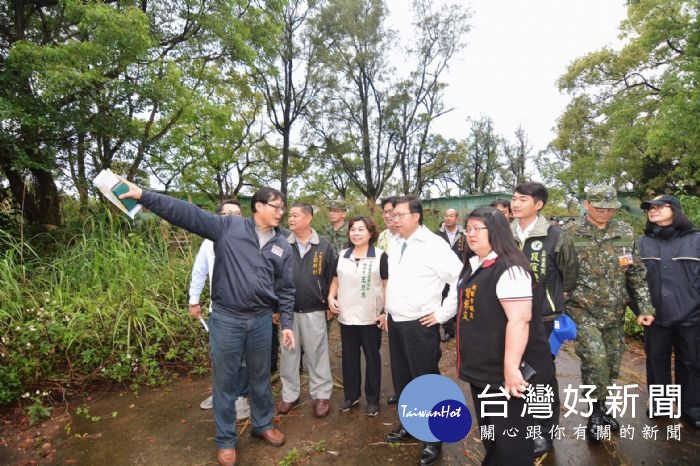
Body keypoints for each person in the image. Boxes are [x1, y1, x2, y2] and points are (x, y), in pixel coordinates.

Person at [118, 182, 296, 466]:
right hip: (228, 319)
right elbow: (186, 213)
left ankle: (263, 424)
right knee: (225, 382)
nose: (281, 212)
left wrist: (286, 322)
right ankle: (226, 440)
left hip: (262, 320)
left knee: (261, 377)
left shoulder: (282, 244)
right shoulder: (229, 228)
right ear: (258, 206)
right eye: (276, 206)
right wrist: (143, 195)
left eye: (283, 208)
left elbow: (286, 289)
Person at [423, 206, 556, 466]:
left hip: (504, 374)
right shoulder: (474, 264)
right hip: (482, 369)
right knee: (492, 431)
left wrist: (510, 369)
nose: (470, 234)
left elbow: (520, 319)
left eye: (477, 229)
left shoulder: (510, 268)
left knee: (512, 438)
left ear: (495, 231)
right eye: (468, 228)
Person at [563, 186, 655, 442]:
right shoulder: (570, 234)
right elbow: (558, 273)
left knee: (612, 364)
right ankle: (594, 415)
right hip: (583, 310)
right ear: (586, 204)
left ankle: (602, 407)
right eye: (599, 207)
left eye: (610, 208)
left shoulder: (624, 233)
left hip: (615, 312)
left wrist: (645, 308)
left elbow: (636, 273)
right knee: (596, 360)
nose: (605, 212)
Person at [382, 195, 463, 466]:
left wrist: (442, 314)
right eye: (392, 215)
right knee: (403, 378)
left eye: (400, 215)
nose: (394, 219)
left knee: (425, 380)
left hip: (420, 324)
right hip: (396, 321)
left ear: (416, 216)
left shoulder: (433, 245)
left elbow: (459, 279)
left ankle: (434, 436)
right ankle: (411, 424)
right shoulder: (396, 242)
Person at [510, 182, 577, 456]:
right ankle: (518, 423)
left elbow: (569, 274)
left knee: (541, 375)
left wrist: (555, 300)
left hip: (543, 318)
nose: (515, 204)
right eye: (513, 199)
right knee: (513, 370)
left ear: (538, 204)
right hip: (510, 317)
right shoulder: (504, 234)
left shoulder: (556, 236)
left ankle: (544, 430)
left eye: (522, 199)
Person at [638, 194, 700, 428]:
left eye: (658, 207)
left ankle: (692, 408)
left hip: (692, 316)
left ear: (675, 209)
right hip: (655, 317)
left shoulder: (696, 241)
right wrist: (641, 308)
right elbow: (633, 280)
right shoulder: (642, 243)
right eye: (649, 208)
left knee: (692, 362)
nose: (652, 210)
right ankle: (661, 404)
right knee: (656, 361)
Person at [189, 200, 250, 420]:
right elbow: (199, 271)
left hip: (246, 311)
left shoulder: (250, 238)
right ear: (218, 217)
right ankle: (222, 394)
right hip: (220, 311)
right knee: (220, 355)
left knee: (242, 357)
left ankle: (241, 395)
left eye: (236, 213)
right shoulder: (209, 241)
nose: (232, 216)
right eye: (226, 213)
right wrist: (194, 300)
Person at [277, 203, 336, 418]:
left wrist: (330, 303)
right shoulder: (282, 244)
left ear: (309, 218)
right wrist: (276, 308)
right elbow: (275, 278)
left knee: (317, 352)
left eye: (295, 215)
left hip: (314, 309)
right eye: (289, 215)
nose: (289, 219)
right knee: (288, 354)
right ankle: (289, 395)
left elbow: (332, 276)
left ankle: (321, 395)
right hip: (288, 310)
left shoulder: (324, 246)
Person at [328, 216, 388, 417]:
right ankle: (351, 396)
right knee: (349, 359)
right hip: (346, 317)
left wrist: (386, 312)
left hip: (371, 317)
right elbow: (336, 278)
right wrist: (330, 295)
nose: (356, 233)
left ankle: (372, 399)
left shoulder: (380, 256)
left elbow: (387, 285)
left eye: (361, 229)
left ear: (370, 233)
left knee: (372, 358)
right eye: (353, 229)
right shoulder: (343, 254)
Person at [436, 208, 468, 342]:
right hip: (442, 273)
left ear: (457, 218)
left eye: (451, 216)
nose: (448, 218)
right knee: (444, 298)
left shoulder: (464, 234)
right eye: (446, 215)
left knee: (460, 297)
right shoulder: (437, 235)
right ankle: (449, 330)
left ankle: (460, 328)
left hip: (461, 271)